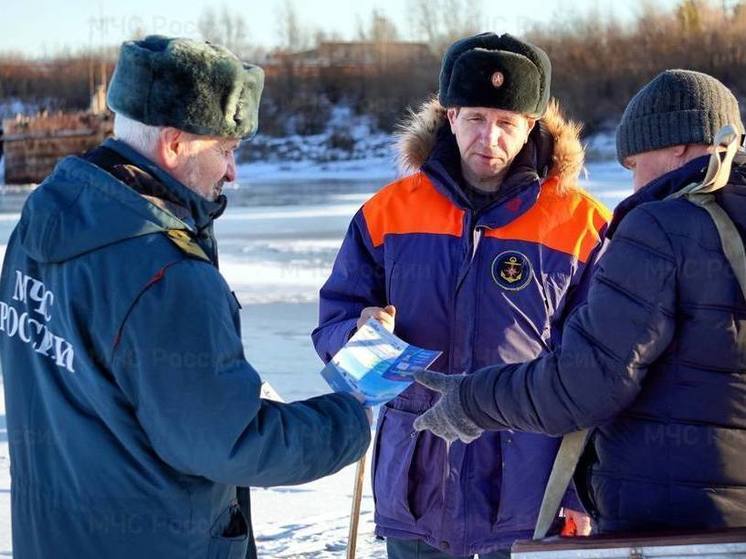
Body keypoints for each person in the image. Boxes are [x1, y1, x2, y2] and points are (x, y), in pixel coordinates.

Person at [0, 35, 371, 559]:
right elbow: (229, 440)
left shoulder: (41, 223)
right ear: (175, 145)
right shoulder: (166, 274)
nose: (233, 171)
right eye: (225, 149)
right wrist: (349, 418)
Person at [312, 32, 610, 558]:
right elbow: (334, 324)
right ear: (449, 116)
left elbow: (601, 367)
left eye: (506, 123)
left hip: (531, 488)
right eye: (474, 117)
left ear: (531, 127)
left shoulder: (583, 225)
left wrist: (580, 487)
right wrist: (357, 333)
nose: (488, 138)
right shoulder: (388, 214)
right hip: (415, 479)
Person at [414, 69, 746, 534]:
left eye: (635, 162)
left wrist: (472, 399)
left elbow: (586, 384)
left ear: (679, 145)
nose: (634, 182)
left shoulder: (662, 228)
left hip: (677, 519)